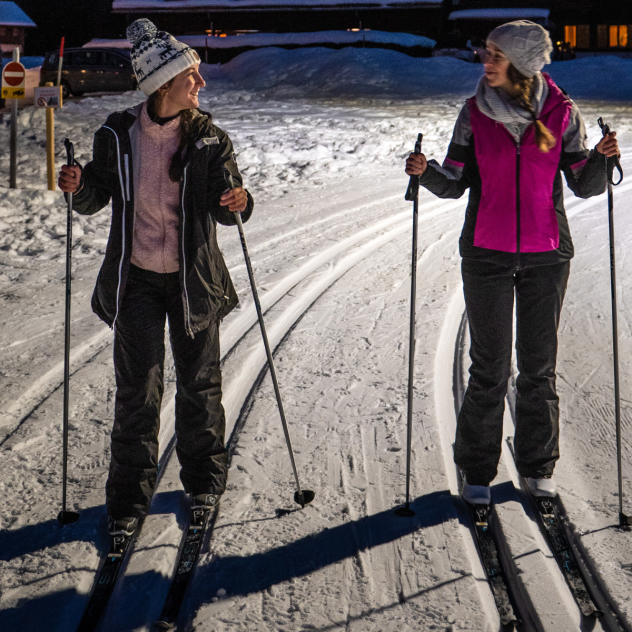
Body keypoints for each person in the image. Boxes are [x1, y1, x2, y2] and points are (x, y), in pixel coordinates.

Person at [405, 20, 619, 504]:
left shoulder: (563, 114)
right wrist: (426, 174)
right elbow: (455, 179)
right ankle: (476, 470)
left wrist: (604, 159)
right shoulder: (473, 113)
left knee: (539, 368)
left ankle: (538, 464)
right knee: (489, 368)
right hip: (486, 255)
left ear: (521, 63)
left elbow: (584, 183)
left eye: (496, 55)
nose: (486, 62)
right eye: (487, 53)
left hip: (547, 255)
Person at [58, 18, 253, 536]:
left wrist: (239, 202)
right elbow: (95, 197)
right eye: (192, 74)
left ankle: (204, 485)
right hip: (136, 279)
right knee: (137, 392)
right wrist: (78, 187)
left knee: (199, 387)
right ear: (164, 83)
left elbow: (228, 200)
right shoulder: (117, 135)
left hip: (194, 282)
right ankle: (127, 500)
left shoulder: (210, 138)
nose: (201, 83)